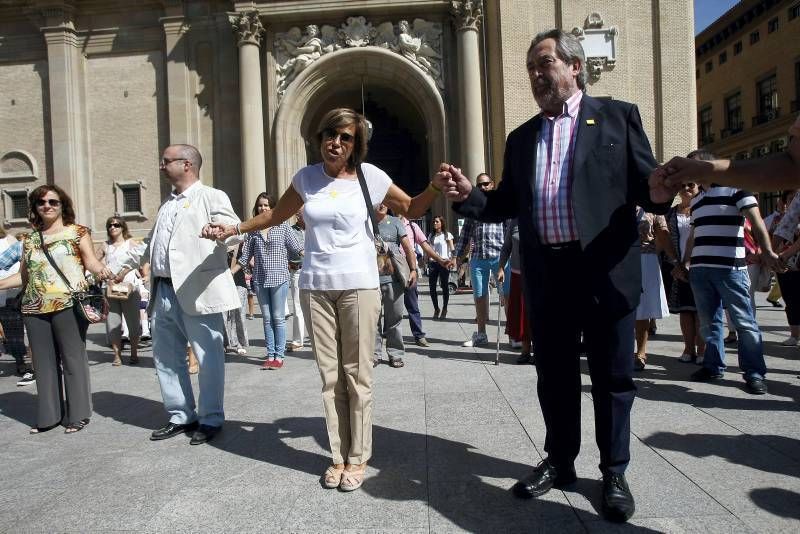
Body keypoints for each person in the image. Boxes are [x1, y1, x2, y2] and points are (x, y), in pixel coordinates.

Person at [436, 29, 674, 523]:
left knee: (612, 377)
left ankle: (613, 472)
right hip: (549, 273)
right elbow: (503, 204)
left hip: (604, 269)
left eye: (545, 63)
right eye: (531, 69)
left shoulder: (616, 116)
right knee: (555, 376)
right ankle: (561, 462)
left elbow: (647, 189)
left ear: (575, 67)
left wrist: (660, 188)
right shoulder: (522, 138)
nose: (537, 75)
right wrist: (468, 195)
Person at [203, 108, 446, 492]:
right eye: (330, 135)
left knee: (358, 374)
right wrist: (233, 227)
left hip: (360, 286)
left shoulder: (371, 176)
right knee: (330, 377)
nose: (336, 143)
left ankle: (359, 456)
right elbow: (273, 218)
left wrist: (433, 188)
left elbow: (412, 208)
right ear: (320, 139)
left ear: (355, 145)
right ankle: (338, 455)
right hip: (316, 286)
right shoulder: (306, 178)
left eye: (345, 137)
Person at [113, 144, 242, 445]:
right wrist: (121, 269)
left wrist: (223, 232)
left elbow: (236, 231)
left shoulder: (211, 196)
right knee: (167, 358)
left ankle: (211, 418)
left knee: (208, 357)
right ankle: (181, 414)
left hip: (199, 290)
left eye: (166, 161)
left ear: (186, 165)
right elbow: (150, 245)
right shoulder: (167, 204)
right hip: (164, 289)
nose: (161, 166)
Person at [672, 150, 781, 395]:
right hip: (700, 270)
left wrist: (767, 251)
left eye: (692, 167)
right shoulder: (698, 200)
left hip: (730, 269)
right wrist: (686, 263)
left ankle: (754, 374)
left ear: (706, 167)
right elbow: (694, 236)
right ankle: (713, 366)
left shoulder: (737, 189)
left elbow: (757, 220)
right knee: (709, 324)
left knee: (744, 323)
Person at [14, 186, 112, 433]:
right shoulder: (30, 239)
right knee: (44, 364)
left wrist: (102, 270)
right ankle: (49, 417)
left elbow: (89, 261)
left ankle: (78, 414)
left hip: (68, 303)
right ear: (35, 207)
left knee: (72, 359)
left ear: (62, 205)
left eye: (52, 202)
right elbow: (22, 277)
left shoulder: (77, 232)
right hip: (34, 306)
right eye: (41, 202)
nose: (47, 206)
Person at [235, 193, 303, 370]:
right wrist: (229, 273)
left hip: (279, 277)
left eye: (266, 205)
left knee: (278, 318)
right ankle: (270, 354)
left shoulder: (283, 227)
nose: (263, 208)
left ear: (273, 207)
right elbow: (245, 257)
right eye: (260, 206)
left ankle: (279, 356)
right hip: (260, 279)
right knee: (266, 319)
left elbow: (297, 249)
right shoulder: (253, 230)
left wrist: (315, 258)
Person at [654, 113, 800, 192]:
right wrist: (702, 170)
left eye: (690, 185)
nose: (687, 188)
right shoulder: (697, 203)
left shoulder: (735, 194)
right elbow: (792, 165)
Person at [453, 173, 508, 347]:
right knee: (479, 296)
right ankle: (481, 334)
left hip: (500, 257)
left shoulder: (501, 205)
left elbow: (509, 231)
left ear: (492, 184)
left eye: (485, 184)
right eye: (479, 185)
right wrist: (457, 255)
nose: (483, 187)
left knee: (506, 295)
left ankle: (514, 334)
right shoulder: (473, 208)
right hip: (478, 258)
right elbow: (465, 234)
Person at [666, 182, 705, 363]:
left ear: (698, 188)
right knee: (686, 311)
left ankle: (703, 350)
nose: (686, 188)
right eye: (682, 185)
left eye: (691, 185)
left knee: (701, 311)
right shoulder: (671, 213)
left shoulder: (702, 209)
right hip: (679, 268)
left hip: (700, 266)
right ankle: (688, 349)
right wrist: (676, 263)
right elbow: (664, 239)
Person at [97, 217, 144, 366]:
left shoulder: (130, 243)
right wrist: (104, 273)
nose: (113, 227)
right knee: (113, 323)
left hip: (129, 287)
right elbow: (94, 261)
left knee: (133, 322)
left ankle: (134, 353)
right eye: (110, 225)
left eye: (116, 225)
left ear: (123, 227)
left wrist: (124, 273)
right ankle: (116, 355)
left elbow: (140, 259)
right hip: (110, 288)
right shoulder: (105, 245)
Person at [398, 214, 448, 345]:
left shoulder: (413, 227)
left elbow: (425, 246)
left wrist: (439, 259)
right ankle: (388, 334)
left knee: (412, 304)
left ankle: (419, 335)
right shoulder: (386, 222)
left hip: (409, 268)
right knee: (391, 306)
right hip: (390, 268)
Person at [633, 208, 672, 371]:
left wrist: (676, 261)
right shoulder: (617, 199)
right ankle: (622, 351)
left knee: (643, 309)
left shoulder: (652, 206)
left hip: (645, 259)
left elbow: (663, 233)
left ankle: (640, 353)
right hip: (619, 258)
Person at [497, 219, 533, 364]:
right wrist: (500, 267)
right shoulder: (514, 222)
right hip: (518, 274)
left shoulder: (539, 215)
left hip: (539, 273)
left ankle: (541, 351)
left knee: (537, 314)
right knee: (522, 314)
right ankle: (525, 351)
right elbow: (506, 247)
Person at [426, 215, 454, 319]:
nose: (435, 223)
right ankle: (436, 308)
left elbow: (452, 248)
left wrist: (453, 259)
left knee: (444, 286)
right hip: (433, 263)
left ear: (442, 223)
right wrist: (425, 259)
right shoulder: (431, 236)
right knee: (432, 287)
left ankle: (445, 308)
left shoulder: (447, 235)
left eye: (437, 222)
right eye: (434, 222)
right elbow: (428, 249)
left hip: (444, 262)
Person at [286, 209, 306, 352]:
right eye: (299, 214)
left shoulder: (315, 229)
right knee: (298, 306)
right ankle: (298, 340)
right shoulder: (291, 231)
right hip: (297, 270)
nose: (301, 216)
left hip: (314, 271)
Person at [223, 245, 249, 356]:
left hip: (238, 280)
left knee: (239, 312)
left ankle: (239, 342)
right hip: (221, 280)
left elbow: (247, 254)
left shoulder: (239, 236)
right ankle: (222, 343)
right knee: (221, 314)